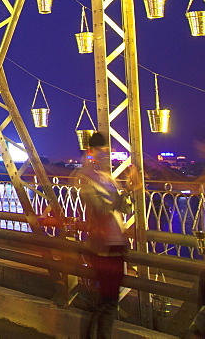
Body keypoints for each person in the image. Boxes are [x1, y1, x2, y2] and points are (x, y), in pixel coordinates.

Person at [75, 131, 130, 339]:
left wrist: (130, 190)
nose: (105, 153)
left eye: (107, 149)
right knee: (107, 301)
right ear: (91, 151)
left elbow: (124, 209)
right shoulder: (86, 179)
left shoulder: (109, 179)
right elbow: (101, 210)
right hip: (102, 246)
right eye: (101, 149)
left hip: (117, 246)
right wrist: (121, 197)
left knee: (107, 300)